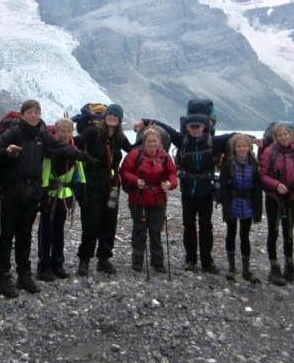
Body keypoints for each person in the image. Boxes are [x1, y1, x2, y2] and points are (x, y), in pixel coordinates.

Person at [0, 99, 92, 298]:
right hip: (12, 190)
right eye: (30, 112)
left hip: (32, 191)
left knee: (25, 234)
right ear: (22, 114)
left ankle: (24, 274)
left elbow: (63, 148)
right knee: (7, 234)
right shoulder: (14, 133)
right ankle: (2, 276)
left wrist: (83, 157)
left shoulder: (42, 135)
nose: (34, 116)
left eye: (37, 112)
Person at [133, 114, 248, 275]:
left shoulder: (212, 142)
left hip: (205, 191)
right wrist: (146, 121)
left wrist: (251, 140)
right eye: (192, 127)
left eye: (198, 127)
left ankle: (206, 261)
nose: (195, 129)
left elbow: (232, 136)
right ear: (187, 128)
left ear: (203, 128)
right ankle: (191, 260)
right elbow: (166, 128)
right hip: (188, 191)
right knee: (189, 226)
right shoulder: (182, 140)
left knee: (206, 226)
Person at [74, 103, 132, 276]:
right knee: (91, 222)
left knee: (110, 221)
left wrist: (148, 136)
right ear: (106, 116)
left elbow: (133, 150)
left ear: (119, 120)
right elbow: (75, 144)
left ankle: (104, 259)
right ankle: (84, 259)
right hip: (93, 184)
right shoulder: (93, 132)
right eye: (110, 115)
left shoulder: (120, 137)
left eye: (116, 116)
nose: (112, 118)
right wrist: (87, 159)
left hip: (113, 185)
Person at [119, 127, 178, 273]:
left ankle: (158, 262)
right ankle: (137, 261)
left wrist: (170, 184)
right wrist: (135, 181)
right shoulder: (135, 155)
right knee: (139, 230)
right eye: (149, 141)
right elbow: (124, 171)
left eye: (155, 141)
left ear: (160, 142)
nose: (152, 144)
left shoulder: (164, 157)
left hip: (158, 199)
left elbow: (172, 173)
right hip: (138, 198)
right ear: (144, 142)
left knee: (155, 231)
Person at [259, 122, 294, 285]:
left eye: (286, 134)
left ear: (291, 135)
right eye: (280, 135)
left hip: (290, 198)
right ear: (275, 137)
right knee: (273, 232)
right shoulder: (269, 152)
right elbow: (263, 176)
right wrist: (276, 185)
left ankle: (289, 267)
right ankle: (274, 268)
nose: (283, 137)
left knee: (289, 233)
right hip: (274, 199)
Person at [37, 117, 86, 281]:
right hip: (50, 196)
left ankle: (58, 264)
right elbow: (45, 170)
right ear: (56, 132)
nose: (65, 134)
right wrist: (43, 193)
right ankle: (44, 265)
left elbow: (79, 171)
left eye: (68, 131)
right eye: (62, 131)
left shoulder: (73, 148)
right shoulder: (49, 150)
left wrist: (81, 190)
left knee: (59, 231)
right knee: (46, 232)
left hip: (65, 195)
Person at [219, 133, 263, 282]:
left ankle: (246, 269)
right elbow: (223, 187)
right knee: (231, 233)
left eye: (244, 146)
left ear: (249, 147)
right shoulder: (228, 164)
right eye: (239, 146)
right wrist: (225, 206)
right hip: (233, 202)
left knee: (245, 235)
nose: (242, 149)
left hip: (248, 203)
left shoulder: (254, 164)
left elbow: (258, 189)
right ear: (234, 148)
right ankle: (232, 267)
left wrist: (258, 209)